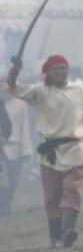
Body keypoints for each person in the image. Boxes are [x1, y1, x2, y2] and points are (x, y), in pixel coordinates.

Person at [7, 55, 83, 248]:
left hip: (76, 150)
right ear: (48, 72)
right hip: (51, 153)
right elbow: (17, 90)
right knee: (52, 197)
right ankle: (55, 237)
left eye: (64, 67)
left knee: (72, 190)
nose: (61, 71)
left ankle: (67, 230)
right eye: (56, 68)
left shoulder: (79, 90)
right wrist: (14, 75)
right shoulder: (41, 91)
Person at [0, 78, 31, 217]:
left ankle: (7, 202)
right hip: (2, 147)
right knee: (4, 178)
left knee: (13, 180)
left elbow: (24, 127)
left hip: (17, 147)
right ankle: (4, 206)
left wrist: (26, 149)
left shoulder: (20, 104)